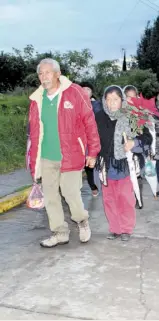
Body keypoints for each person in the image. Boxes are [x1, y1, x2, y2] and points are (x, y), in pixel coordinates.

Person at [28, 58, 101, 248]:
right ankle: (60, 232)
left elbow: (90, 122)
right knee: (51, 197)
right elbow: (34, 131)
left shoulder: (74, 92)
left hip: (71, 154)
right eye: (41, 73)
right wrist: (32, 159)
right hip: (46, 156)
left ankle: (82, 221)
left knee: (70, 194)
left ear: (58, 74)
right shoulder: (37, 98)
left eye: (48, 72)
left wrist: (92, 151)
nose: (44, 77)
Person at [95, 85, 152, 241]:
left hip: (125, 165)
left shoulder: (132, 116)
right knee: (109, 199)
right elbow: (92, 138)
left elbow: (148, 138)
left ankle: (126, 229)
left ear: (122, 100)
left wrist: (134, 143)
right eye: (108, 99)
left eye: (116, 99)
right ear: (104, 101)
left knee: (125, 198)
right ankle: (115, 229)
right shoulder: (99, 117)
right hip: (106, 165)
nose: (112, 103)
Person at [80, 81, 102, 197]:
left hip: (93, 140)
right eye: (83, 89)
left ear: (92, 92)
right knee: (82, 165)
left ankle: (94, 186)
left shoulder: (97, 105)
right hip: (79, 142)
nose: (85, 92)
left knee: (91, 165)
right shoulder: (74, 104)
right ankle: (92, 186)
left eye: (88, 90)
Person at [123, 85, 144, 209]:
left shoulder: (142, 114)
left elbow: (148, 137)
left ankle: (138, 198)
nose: (131, 100)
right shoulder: (120, 113)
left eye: (133, 97)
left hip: (137, 151)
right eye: (128, 97)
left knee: (136, 174)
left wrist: (135, 142)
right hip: (123, 151)